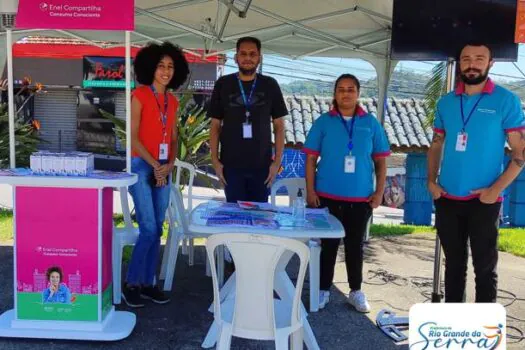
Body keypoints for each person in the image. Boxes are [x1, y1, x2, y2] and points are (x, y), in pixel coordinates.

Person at [427, 42, 525, 303]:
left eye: (479, 58)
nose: (472, 64)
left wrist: (495, 190)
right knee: (454, 266)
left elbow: (520, 152)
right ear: (460, 63)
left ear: (490, 63)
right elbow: (436, 145)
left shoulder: (506, 100)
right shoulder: (446, 103)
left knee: (484, 269)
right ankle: (454, 328)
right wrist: (430, 181)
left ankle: (485, 336)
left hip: (485, 200)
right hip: (447, 197)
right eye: (466, 58)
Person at [303, 74, 390, 312]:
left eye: (351, 89)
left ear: (358, 93)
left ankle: (356, 291)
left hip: (360, 199)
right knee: (328, 247)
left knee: (355, 246)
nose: (346, 93)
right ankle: (322, 290)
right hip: (326, 197)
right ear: (335, 93)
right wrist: (310, 191)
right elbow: (310, 159)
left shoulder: (371, 124)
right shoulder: (323, 122)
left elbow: (381, 163)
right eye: (341, 89)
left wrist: (379, 192)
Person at [123, 42, 189, 308]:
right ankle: (132, 284)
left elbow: (173, 137)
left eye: (171, 66)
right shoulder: (138, 95)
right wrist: (155, 165)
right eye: (161, 65)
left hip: (163, 167)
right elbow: (134, 138)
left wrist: (170, 163)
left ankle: (148, 283)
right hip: (141, 166)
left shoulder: (172, 101)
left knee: (157, 228)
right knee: (149, 229)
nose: (166, 71)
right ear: (150, 68)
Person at [208, 36, 288, 203]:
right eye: (243, 54)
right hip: (231, 167)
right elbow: (215, 126)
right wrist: (215, 161)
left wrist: (277, 162)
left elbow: (279, 126)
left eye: (253, 54)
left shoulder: (270, 85)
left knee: (260, 220)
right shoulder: (223, 84)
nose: (248, 58)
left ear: (259, 58)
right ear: (236, 57)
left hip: (262, 168)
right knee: (235, 219)